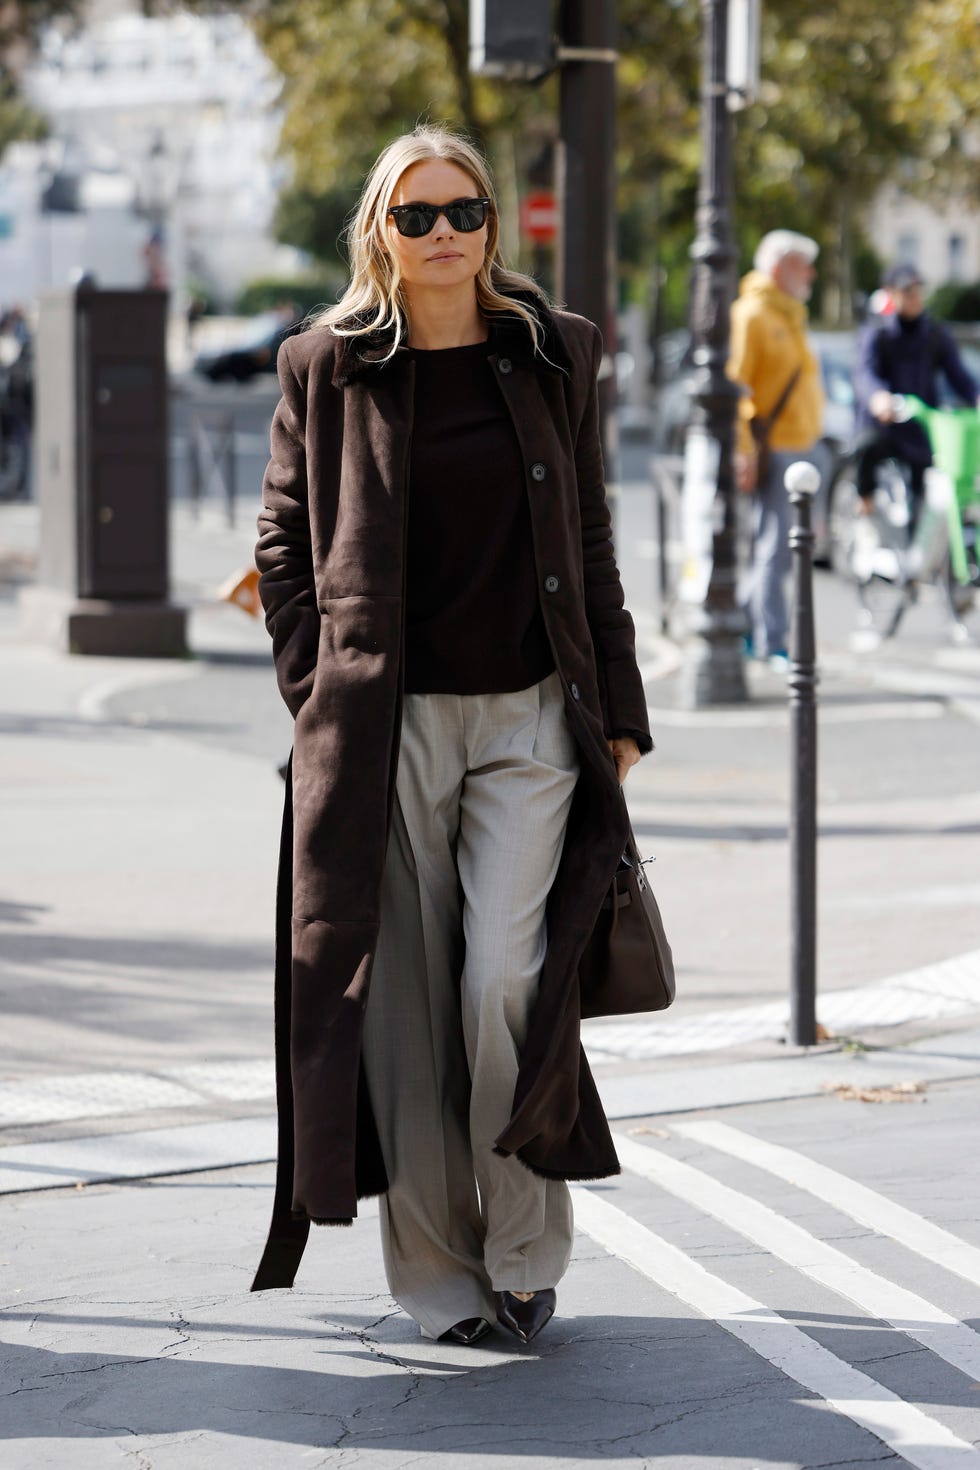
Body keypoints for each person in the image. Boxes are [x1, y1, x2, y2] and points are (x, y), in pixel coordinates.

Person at [250, 125, 652, 1348]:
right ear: (378, 227)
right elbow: (281, 543)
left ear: (495, 226)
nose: (442, 236)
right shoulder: (323, 366)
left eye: (463, 212)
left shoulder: (553, 353)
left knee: (503, 984)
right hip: (384, 728)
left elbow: (586, 539)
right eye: (416, 215)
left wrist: (620, 708)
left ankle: (526, 1250)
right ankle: (437, 1281)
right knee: (406, 1007)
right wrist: (316, 685)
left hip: (531, 715)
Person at [728, 230, 825, 665]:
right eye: (804, 265)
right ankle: (772, 640)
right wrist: (744, 449)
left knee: (782, 547)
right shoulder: (752, 315)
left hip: (800, 447)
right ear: (781, 267)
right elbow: (735, 385)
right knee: (776, 548)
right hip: (776, 451)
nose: (812, 274)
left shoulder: (790, 314)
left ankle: (749, 626)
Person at [853, 264, 980, 531]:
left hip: (922, 428)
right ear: (891, 293)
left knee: (925, 496)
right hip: (887, 425)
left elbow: (958, 375)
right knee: (866, 447)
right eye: (907, 291)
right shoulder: (879, 331)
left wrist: (976, 395)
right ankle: (864, 502)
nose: (914, 297)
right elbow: (865, 373)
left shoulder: (934, 333)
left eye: (918, 290)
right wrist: (878, 397)